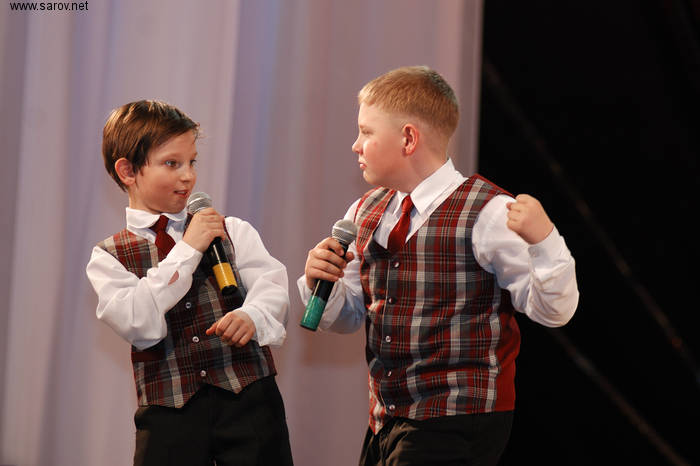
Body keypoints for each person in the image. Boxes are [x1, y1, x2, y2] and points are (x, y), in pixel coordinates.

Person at [298, 66, 579, 465]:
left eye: (366, 132)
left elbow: (552, 311)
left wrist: (545, 242)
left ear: (408, 138)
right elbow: (348, 316)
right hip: (387, 419)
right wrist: (320, 283)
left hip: (457, 416)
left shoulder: (488, 213)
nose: (356, 145)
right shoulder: (365, 211)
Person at [86, 100, 293, 466]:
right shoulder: (108, 258)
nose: (188, 176)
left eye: (192, 162)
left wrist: (253, 315)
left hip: (249, 402)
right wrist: (187, 249)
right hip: (169, 415)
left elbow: (272, 287)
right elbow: (140, 324)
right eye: (172, 163)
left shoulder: (231, 230)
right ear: (128, 171)